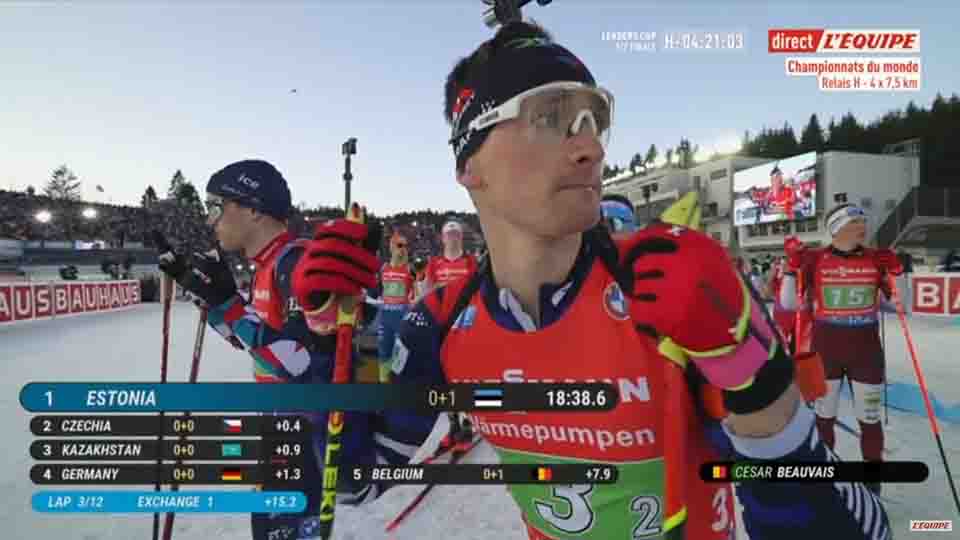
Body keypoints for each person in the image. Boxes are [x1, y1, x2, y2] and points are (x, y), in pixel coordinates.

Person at [292, 21, 888, 540]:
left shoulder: (660, 290)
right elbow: (352, 485)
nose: (589, 147)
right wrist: (324, 338)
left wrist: (755, 381)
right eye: (550, 118)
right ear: (468, 164)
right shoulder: (444, 320)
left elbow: (860, 526)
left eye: (593, 119)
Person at [153, 159, 381, 540]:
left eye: (216, 207)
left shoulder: (296, 262)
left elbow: (299, 360)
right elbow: (252, 343)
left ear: (254, 208)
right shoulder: (265, 264)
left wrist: (228, 303)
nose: (210, 220)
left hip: (302, 427)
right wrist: (205, 293)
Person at [780, 202, 903, 495]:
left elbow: (901, 306)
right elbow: (789, 304)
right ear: (836, 228)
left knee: (869, 421)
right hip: (826, 354)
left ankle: (873, 484)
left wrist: (898, 272)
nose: (863, 228)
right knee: (824, 419)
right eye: (855, 222)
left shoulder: (876, 258)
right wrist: (789, 271)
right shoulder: (814, 258)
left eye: (863, 222)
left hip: (867, 354)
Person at [368, 230, 416, 381]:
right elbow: (380, 294)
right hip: (385, 319)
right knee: (383, 354)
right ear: (391, 247)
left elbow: (417, 294)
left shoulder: (410, 270)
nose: (403, 249)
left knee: (399, 356)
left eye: (405, 246)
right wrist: (367, 299)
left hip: (401, 318)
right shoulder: (384, 269)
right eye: (399, 245)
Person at [423, 219, 477, 292]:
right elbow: (428, 291)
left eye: (456, 234)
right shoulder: (433, 263)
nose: (453, 238)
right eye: (449, 235)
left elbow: (475, 288)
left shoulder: (471, 261)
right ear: (443, 238)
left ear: (461, 237)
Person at [767, 257, 796, 351]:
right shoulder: (780, 280)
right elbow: (769, 288)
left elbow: (769, 288)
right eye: (783, 265)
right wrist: (774, 269)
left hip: (790, 315)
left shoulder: (795, 279)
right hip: (781, 315)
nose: (784, 267)